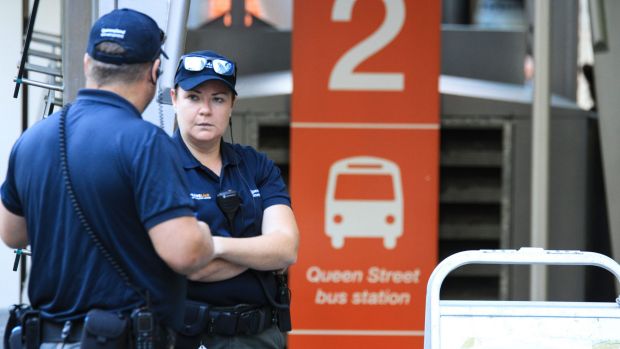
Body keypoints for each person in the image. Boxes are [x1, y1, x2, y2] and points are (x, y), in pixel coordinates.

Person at [0, 9, 215, 349]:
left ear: (88, 63)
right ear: (154, 71)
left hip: (47, 339)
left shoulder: (32, 140)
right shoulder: (146, 143)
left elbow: (11, 234)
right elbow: (184, 253)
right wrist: (202, 235)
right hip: (123, 339)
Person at [170, 50, 299, 349]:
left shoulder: (255, 165)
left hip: (260, 337)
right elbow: (188, 264)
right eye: (193, 97)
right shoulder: (157, 166)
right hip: (188, 337)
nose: (205, 109)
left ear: (232, 105)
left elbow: (285, 249)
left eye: (218, 98)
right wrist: (258, 255)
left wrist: (214, 246)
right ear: (174, 98)